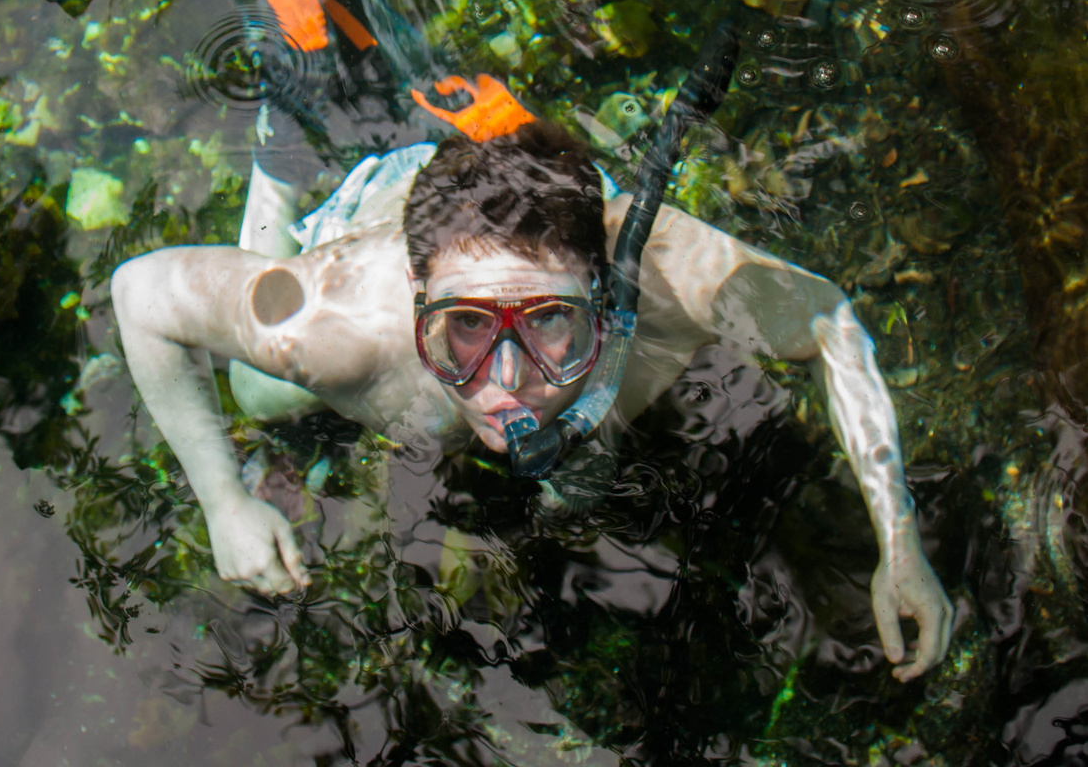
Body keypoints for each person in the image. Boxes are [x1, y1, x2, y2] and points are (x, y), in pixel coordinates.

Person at [111, 103, 954, 683]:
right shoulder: (332, 329)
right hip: (368, 217)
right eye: (467, 327)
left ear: (604, 291)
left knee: (588, 472)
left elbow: (828, 323)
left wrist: (898, 538)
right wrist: (221, 499)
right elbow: (141, 295)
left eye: (550, 321)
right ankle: (278, 170)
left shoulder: (663, 273)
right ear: (414, 299)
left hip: (525, 227)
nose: (506, 384)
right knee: (259, 399)